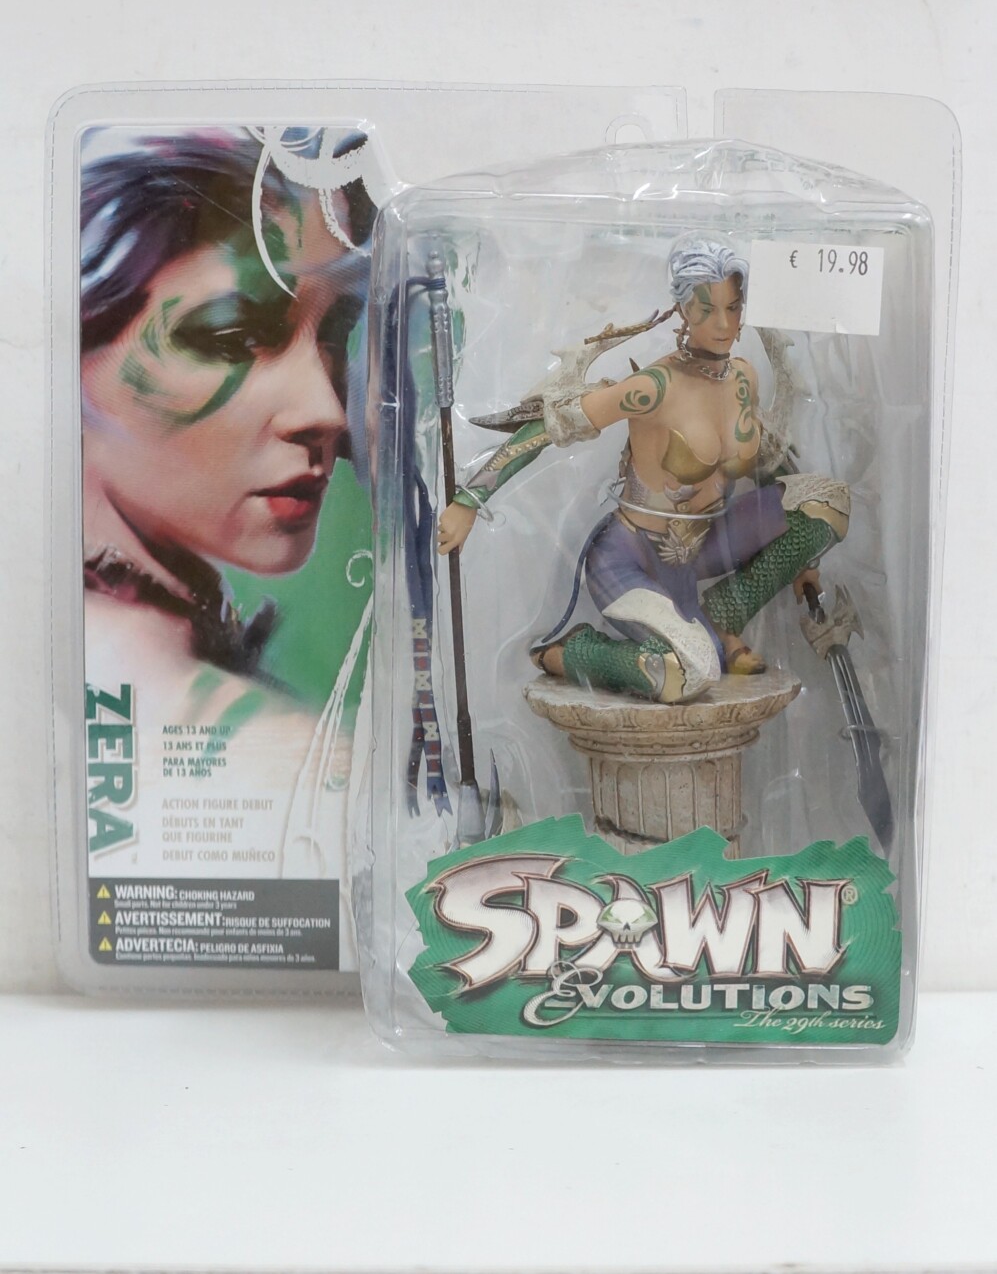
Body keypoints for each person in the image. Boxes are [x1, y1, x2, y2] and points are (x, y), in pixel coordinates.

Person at [81, 127, 376, 872]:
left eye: (334, 336)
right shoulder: (282, 756)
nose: (325, 411)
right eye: (231, 335)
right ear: (75, 355)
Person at [437, 234, 850, 705]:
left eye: (733, 308)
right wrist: (468, 501)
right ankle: (573, 652)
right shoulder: (654, 387)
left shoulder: (743, 377)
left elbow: (763, 459)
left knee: (827, 503)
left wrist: (801, 557)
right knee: (690, 672)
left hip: (705, 544)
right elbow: (551, 426)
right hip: (630, 557)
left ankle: (720, 620)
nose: (722, 324)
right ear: (683, 310)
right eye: (706, 310)